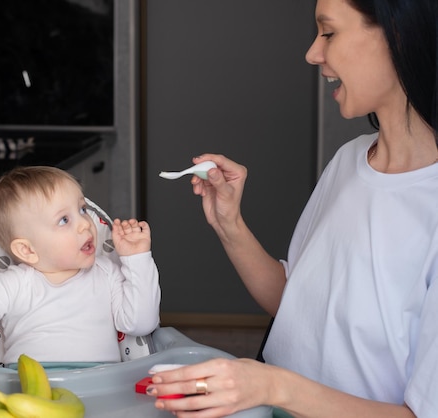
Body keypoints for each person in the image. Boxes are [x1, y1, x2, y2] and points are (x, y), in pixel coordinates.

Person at [146, 0, 438, 417]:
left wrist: (272, 385)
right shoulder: (349, 160)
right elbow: (296, 304)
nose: (313, 53)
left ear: (399, 35)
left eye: (329, 32)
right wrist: (230, 225)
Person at [0, 166, 161, 389]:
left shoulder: (107, 273)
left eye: (82, 209)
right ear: (27, 250)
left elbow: (141, 323)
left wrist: (136, 259)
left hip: (103, 388)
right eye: (64, 219)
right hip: (31, 391)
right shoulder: (16, 284)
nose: (86, 224)